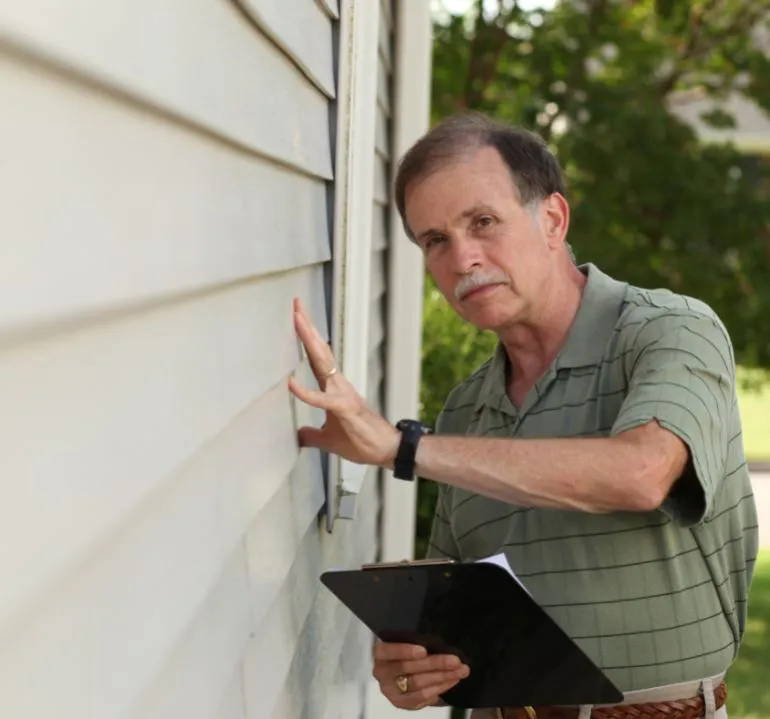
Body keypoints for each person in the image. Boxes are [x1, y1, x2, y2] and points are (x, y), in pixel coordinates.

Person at [288, 113, 759, 719]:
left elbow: (643, 473)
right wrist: (416, 670)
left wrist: (401, 447)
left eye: (483, 222)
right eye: (435, 241)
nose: (462, 258)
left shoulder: (669, 331)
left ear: (553, 220)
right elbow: (457, 613)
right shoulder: (465, 408)